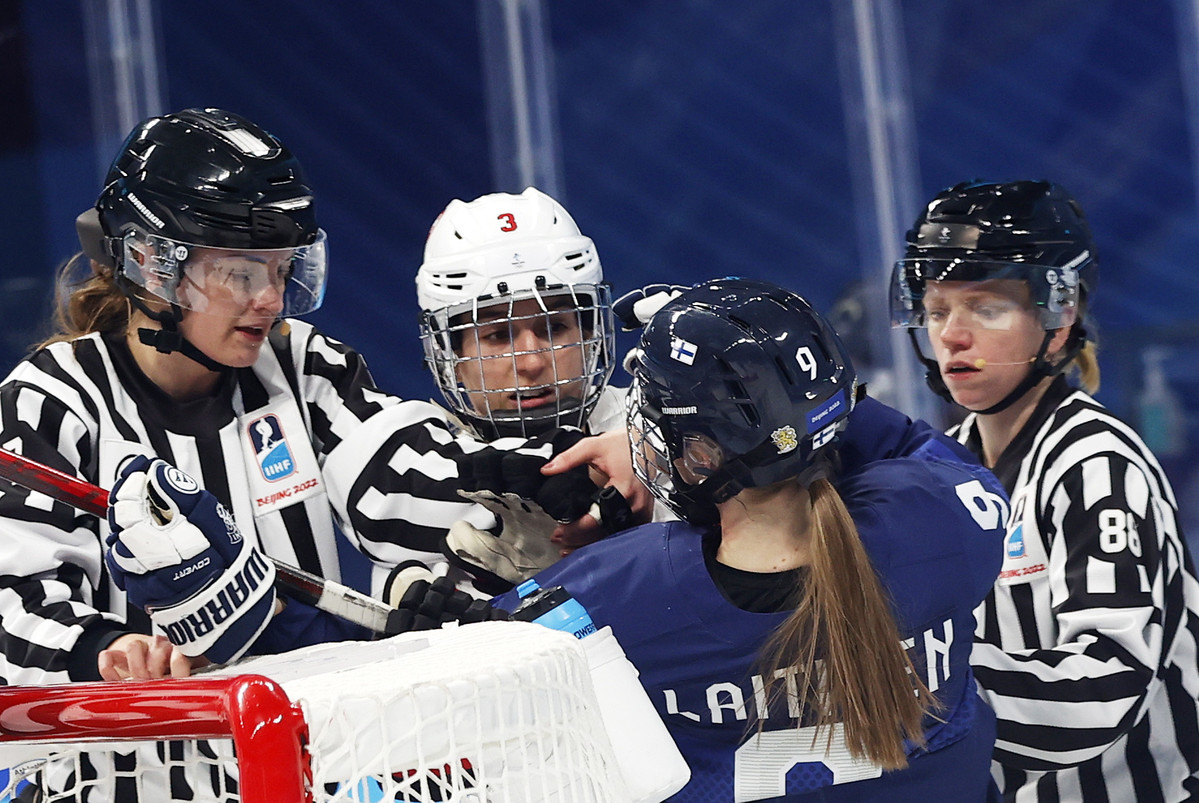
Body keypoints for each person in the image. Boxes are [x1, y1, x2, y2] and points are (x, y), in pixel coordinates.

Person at [0, 108, 624, 688]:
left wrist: (520, 479)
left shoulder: (302, 365)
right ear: (150, 263)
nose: (269, 300)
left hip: (298, 757)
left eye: (279, 270)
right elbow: (13, 607)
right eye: (241, 273)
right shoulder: (50, 403)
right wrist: (105, 649)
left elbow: (399, 481)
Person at [494, 277, 1008, 801]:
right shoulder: (946, 517)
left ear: (700, 459)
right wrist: (788, 392)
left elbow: (477, 691)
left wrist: (426, 599)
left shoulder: (611, 589)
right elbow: (915, 447)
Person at [890, 179, 1199, 800]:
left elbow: (1105, 685)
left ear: (1059, 318)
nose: (952, 334)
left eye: (985, 306)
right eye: (937, 307)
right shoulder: (941, 466)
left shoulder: (1096, 465)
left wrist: (917, 690)